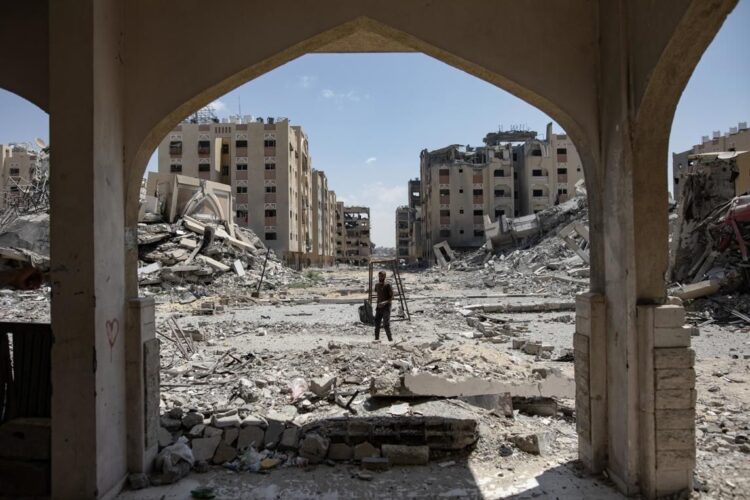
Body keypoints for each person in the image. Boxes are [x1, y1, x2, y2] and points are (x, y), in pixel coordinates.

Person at [374, 270, 394, 341]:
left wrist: (384, 302)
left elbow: (392, 297)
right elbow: (378, 294)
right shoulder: (377, 285)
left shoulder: (388, 285)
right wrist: (379, 303)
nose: (380, 277)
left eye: (382, 276)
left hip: (386, 307)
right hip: (379, 307)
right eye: (379, 276)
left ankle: (390, 340)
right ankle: (376, 339)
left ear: (385, 276)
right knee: (377, 323)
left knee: (386, 324)